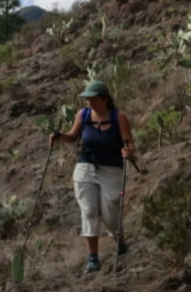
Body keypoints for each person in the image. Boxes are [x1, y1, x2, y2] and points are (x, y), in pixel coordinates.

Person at [49, 81, 136, 274]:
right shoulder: (84, 115)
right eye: (87, 98)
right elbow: (73, 137)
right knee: (88, 210)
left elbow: (129, 144)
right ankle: (93, 258)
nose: (89, 102)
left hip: (112, 168)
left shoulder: (119, 117)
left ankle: (120, 241)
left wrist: (128, 151)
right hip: (86, 166)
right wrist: (59, 136)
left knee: (110, 211)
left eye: (93, 99)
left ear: (104, 99)